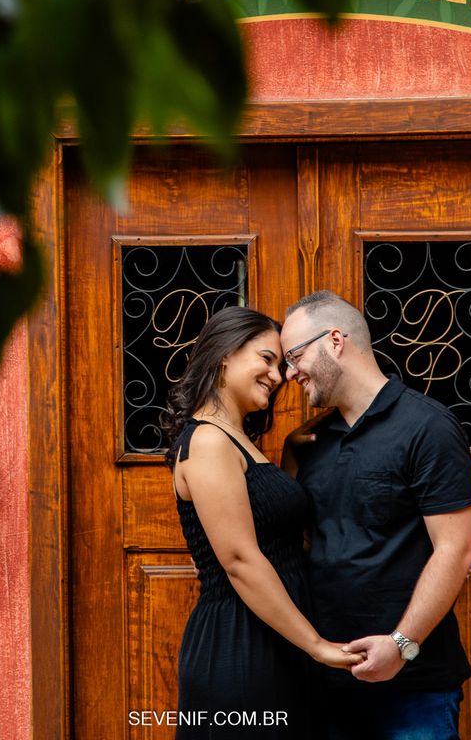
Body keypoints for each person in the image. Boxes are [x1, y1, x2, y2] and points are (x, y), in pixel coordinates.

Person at [279, 291, 471, 740]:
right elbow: (300, 543)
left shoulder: (427, 426)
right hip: (327, 684)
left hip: (413, 688)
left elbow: (455, 549)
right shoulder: (310, 443)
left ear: (334, 340)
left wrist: (401, 646)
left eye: (294, 355)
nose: (289, 373)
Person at [161, 306, 362, 738]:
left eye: (283, 364)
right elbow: (240, 560)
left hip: (273, 637)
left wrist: (286, 459)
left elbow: (272, 531)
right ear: (224, 356)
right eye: (267, 359)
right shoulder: (209, 441)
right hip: (240, 644)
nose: (278, 375)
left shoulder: (238, 440)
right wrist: (316, 646)